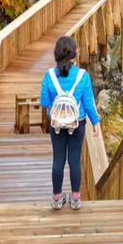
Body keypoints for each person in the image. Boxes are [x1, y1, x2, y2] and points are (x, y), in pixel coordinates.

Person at [39, 35, 100, 210]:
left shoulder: (49, 75)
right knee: (74, 160)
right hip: (77, 123)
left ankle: (57, 199)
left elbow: (44, 102)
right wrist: (95, 122)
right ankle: (75, 199)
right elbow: (88, 103)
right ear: (74, 54)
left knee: (58, 159)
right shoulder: (83, 76)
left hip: (56, 124)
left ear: (56, 54)